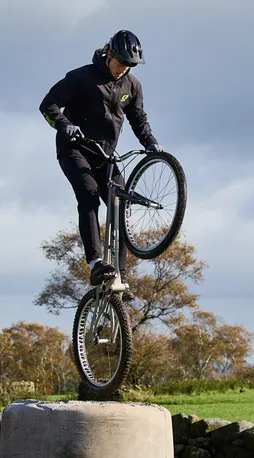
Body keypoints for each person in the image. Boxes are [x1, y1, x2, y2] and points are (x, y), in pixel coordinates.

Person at [40, 30, 162, 286]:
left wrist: (151, 143)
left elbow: (138, 119)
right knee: (89, 193)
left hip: (104, 155)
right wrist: (64, 125)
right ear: (109, 54)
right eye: (120, 64)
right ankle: (96, 263)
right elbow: (48, 105)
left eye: (129, 66)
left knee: (120, 203)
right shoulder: (81, 77)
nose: (123, 70)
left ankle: (120, 277)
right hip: (73, 148)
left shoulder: (132, 85)